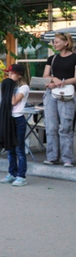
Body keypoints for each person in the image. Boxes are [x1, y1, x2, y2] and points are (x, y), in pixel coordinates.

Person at [42, 32, 76, 167]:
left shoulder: (74, 58)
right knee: (51, 126)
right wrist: (53, 79)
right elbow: (45, 75)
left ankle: (67, 158)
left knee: (66, 127)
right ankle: (52, 157)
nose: (54, 44)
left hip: (67, 94)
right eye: (53, 42)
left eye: (57, 42)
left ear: (66, 43)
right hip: (51, 93)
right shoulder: (52, 58)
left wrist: (61, 82)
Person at [0, 64, 30, 186]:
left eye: (12, 74)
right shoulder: (13, 85)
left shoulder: (24, 87)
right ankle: (12, 173)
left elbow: (14, 101)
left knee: (19, 149)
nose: (9, 76)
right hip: (9, 119)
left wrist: (9, 87)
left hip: (18, 120)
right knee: (10, 149)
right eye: (9, 74)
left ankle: (21, 176)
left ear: (19, 75)